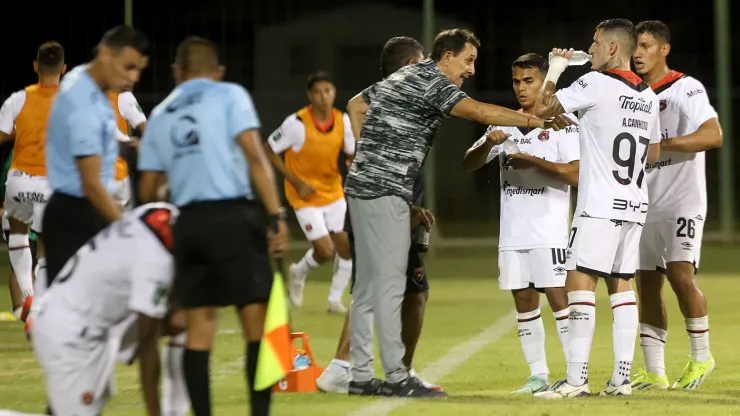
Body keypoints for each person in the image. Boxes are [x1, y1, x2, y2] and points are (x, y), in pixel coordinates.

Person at [343, 28, 573, 398]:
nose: (471, 70)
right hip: (385, 188)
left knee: (369, 284)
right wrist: (536, 121)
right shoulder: (431, 80)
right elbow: (480, 112)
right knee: (388, 283)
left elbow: (355, 105)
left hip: (362, 186)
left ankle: (358, 375)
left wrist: (368, 154)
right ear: (445, 57)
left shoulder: (402, 75)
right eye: (467, 61)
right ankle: (397, 376)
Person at [137, 36, 289, 416]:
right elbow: (255, 156)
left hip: (189, 225)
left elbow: (147, 191)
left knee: (199, 331)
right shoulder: (230, 95)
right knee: (256, 324)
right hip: (235, 218)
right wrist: (275, 215)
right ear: (217, 72)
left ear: (177, 72)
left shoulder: (160, 113)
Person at [530, 19, 662, 399]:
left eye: (595, 43)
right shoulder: (648, 96)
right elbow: (651, 151)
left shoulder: (593, 83)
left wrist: (556, 67)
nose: (590, 49)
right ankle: (621, 381)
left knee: (580, 284)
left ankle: (575, 381)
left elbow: (541, 107)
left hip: (600, 205)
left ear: (613, 49)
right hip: (635, 204)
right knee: (622, 288)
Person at [316, 36, 442, 395]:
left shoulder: (394, 101)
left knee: (394, 290)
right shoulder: (386, 101)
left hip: (387, 202)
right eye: (420, 65)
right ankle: (371, 370)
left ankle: (368, 369)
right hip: (382, 203)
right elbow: (355, 106)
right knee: (402, 290)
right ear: (407, 69)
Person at [462, 53, 579, 394]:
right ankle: (538, 376)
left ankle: (575, 375)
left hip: (550, 231)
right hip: (513, 233)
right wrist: (487, 143)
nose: (522, 88)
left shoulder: (562, 122)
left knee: (560, 300)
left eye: (529, 81)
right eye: (516, 81)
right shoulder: (505, 122)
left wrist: (530, 160)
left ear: (544, 81)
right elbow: (469, 164)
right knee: (524, 302)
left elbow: (575, 173)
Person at [630, 20, 721, 391]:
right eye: (635, 46)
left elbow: (713, 135)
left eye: (646, 46)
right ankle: (655, 372)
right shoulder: (631, 93)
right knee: (646, 286)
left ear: (664, 49)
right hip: (643, 202)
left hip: (682, 201)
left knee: (681, 277)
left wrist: (662, 146)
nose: (638, 53)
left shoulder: (686, 87)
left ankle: (702, 358)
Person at [31, 202, 179, 416]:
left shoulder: (156, 212)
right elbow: (148, 345)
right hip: (70, 336)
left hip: (82, 322)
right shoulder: (155, 263)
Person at [44, 26, 149, 289]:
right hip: (78, 215)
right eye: (129, 67)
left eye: (138, 69)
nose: (134, 77)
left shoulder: (83, 81)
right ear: (105, 55)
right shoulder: (84, 100)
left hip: (77, 210)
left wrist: (128, 148)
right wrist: (125, 230)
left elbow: (93, 139)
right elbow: (90, 182)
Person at [265, 71, 354, 314]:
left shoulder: (342, 120)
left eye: (328, 90)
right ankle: (299, 272)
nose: (324, 96)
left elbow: (350, 151)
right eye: (318, 92)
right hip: (304, 197)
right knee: (325, 251)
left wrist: (352, 161)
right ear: (310, 95)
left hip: (333, 192)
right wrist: (296, 181)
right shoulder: (296, 124)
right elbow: (269, 149)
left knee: (346, 248)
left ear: (334, 92)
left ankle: (334, 300)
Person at [0, 41, 65, 322]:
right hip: (52, 184)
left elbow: (2, 135)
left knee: (17, 235)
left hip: (19, 181)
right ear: (63, 69)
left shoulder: (17, 99)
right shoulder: (72, 101)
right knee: (48, 248)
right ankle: (37, 304)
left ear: (36, 66)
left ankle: (26, 295)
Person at [108, 87, 147, 210]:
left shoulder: (83, 98)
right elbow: (147, 133)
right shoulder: (124, 97)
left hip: (99, 176)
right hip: (116, 178)